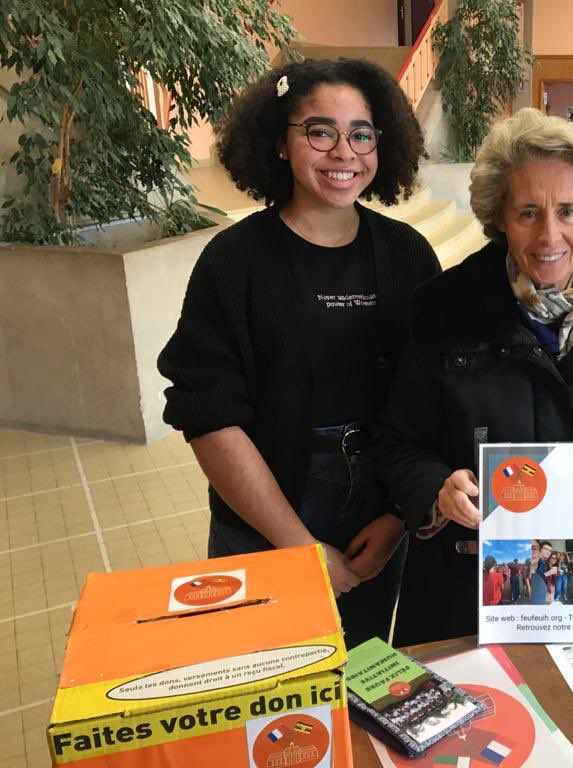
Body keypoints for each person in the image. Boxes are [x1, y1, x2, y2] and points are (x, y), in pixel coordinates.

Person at [158, 59, 441, 649]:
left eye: (361, 134)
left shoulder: (408, 255)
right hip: (264, 517)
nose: (344, 152)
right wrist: (299, 546)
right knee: (267, 685)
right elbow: (208, 414)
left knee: (361, 671)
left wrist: (397, 517)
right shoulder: (234, 262)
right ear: (279, 141)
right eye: (320, 131)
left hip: (377, 519)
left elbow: (434, 400)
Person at [373, 107, 573, 644]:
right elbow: (396, 440)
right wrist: (435, 488)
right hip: (463, 592)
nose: (549, 235)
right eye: (528, 212)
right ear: (500, 220)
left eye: (568, 211)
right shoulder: (444, 315)